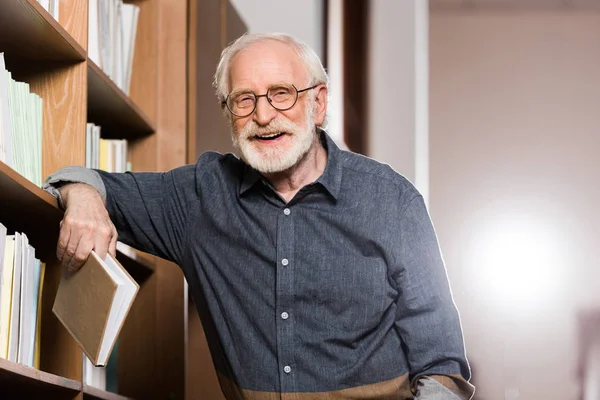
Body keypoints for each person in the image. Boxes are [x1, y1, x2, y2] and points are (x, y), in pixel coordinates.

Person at [43, 33, 474, 400]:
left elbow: (442, 363)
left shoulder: (393, 201)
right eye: (244, 100)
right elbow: (87, 181)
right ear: (229, 112)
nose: (263, 116)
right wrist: (82, 198)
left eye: (281, 94)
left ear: (318, 104)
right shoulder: (199, 197)